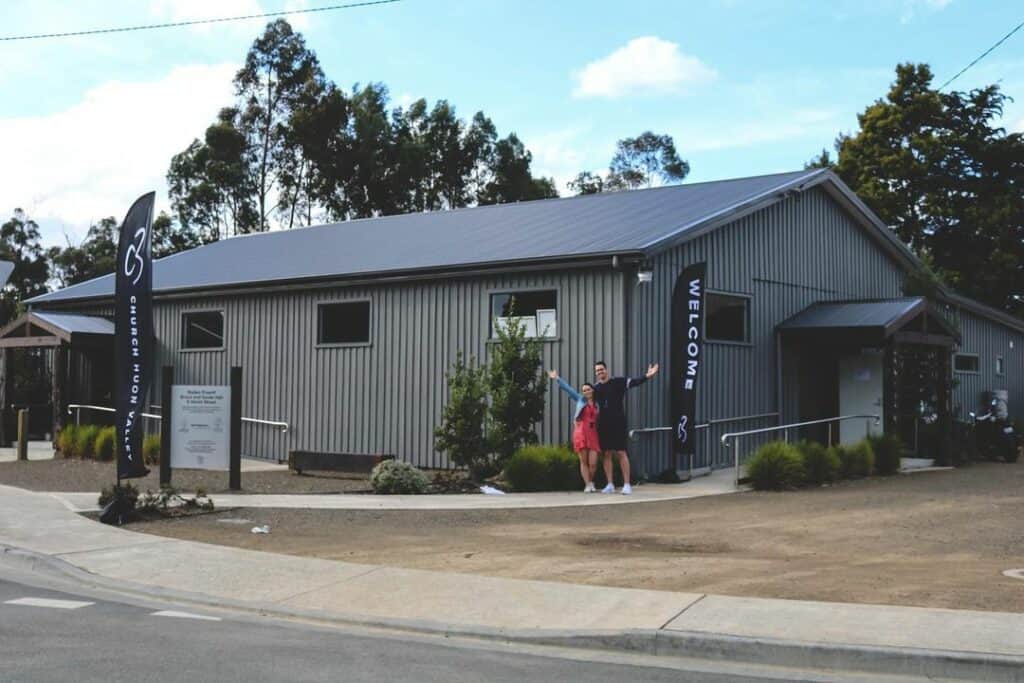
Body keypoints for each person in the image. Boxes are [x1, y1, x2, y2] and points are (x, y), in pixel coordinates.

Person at [593, 360, 659, 495]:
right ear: (596, 373)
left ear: (606, 370)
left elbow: (635, 382)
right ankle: (610, 484)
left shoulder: (618, 382)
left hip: (618, 422)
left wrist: (647, 376)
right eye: (598, 371)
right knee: (606, 454)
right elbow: (584, 400)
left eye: (602, 369)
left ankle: (627, 485)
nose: (600, 372)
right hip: (603, 424)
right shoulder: (595, 388)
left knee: (621, 452)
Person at [547, 369, 600, 492]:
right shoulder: (581, 399)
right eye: (584, 390)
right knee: (584, 461)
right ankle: (587, 485)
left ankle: (591, 481)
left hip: (593, 433)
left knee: (593, 464)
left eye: (588, 389)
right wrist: (557, 378)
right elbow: (568, 389)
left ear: (593, 390)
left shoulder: (598, 403)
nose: (586, 392)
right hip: (581, 432)